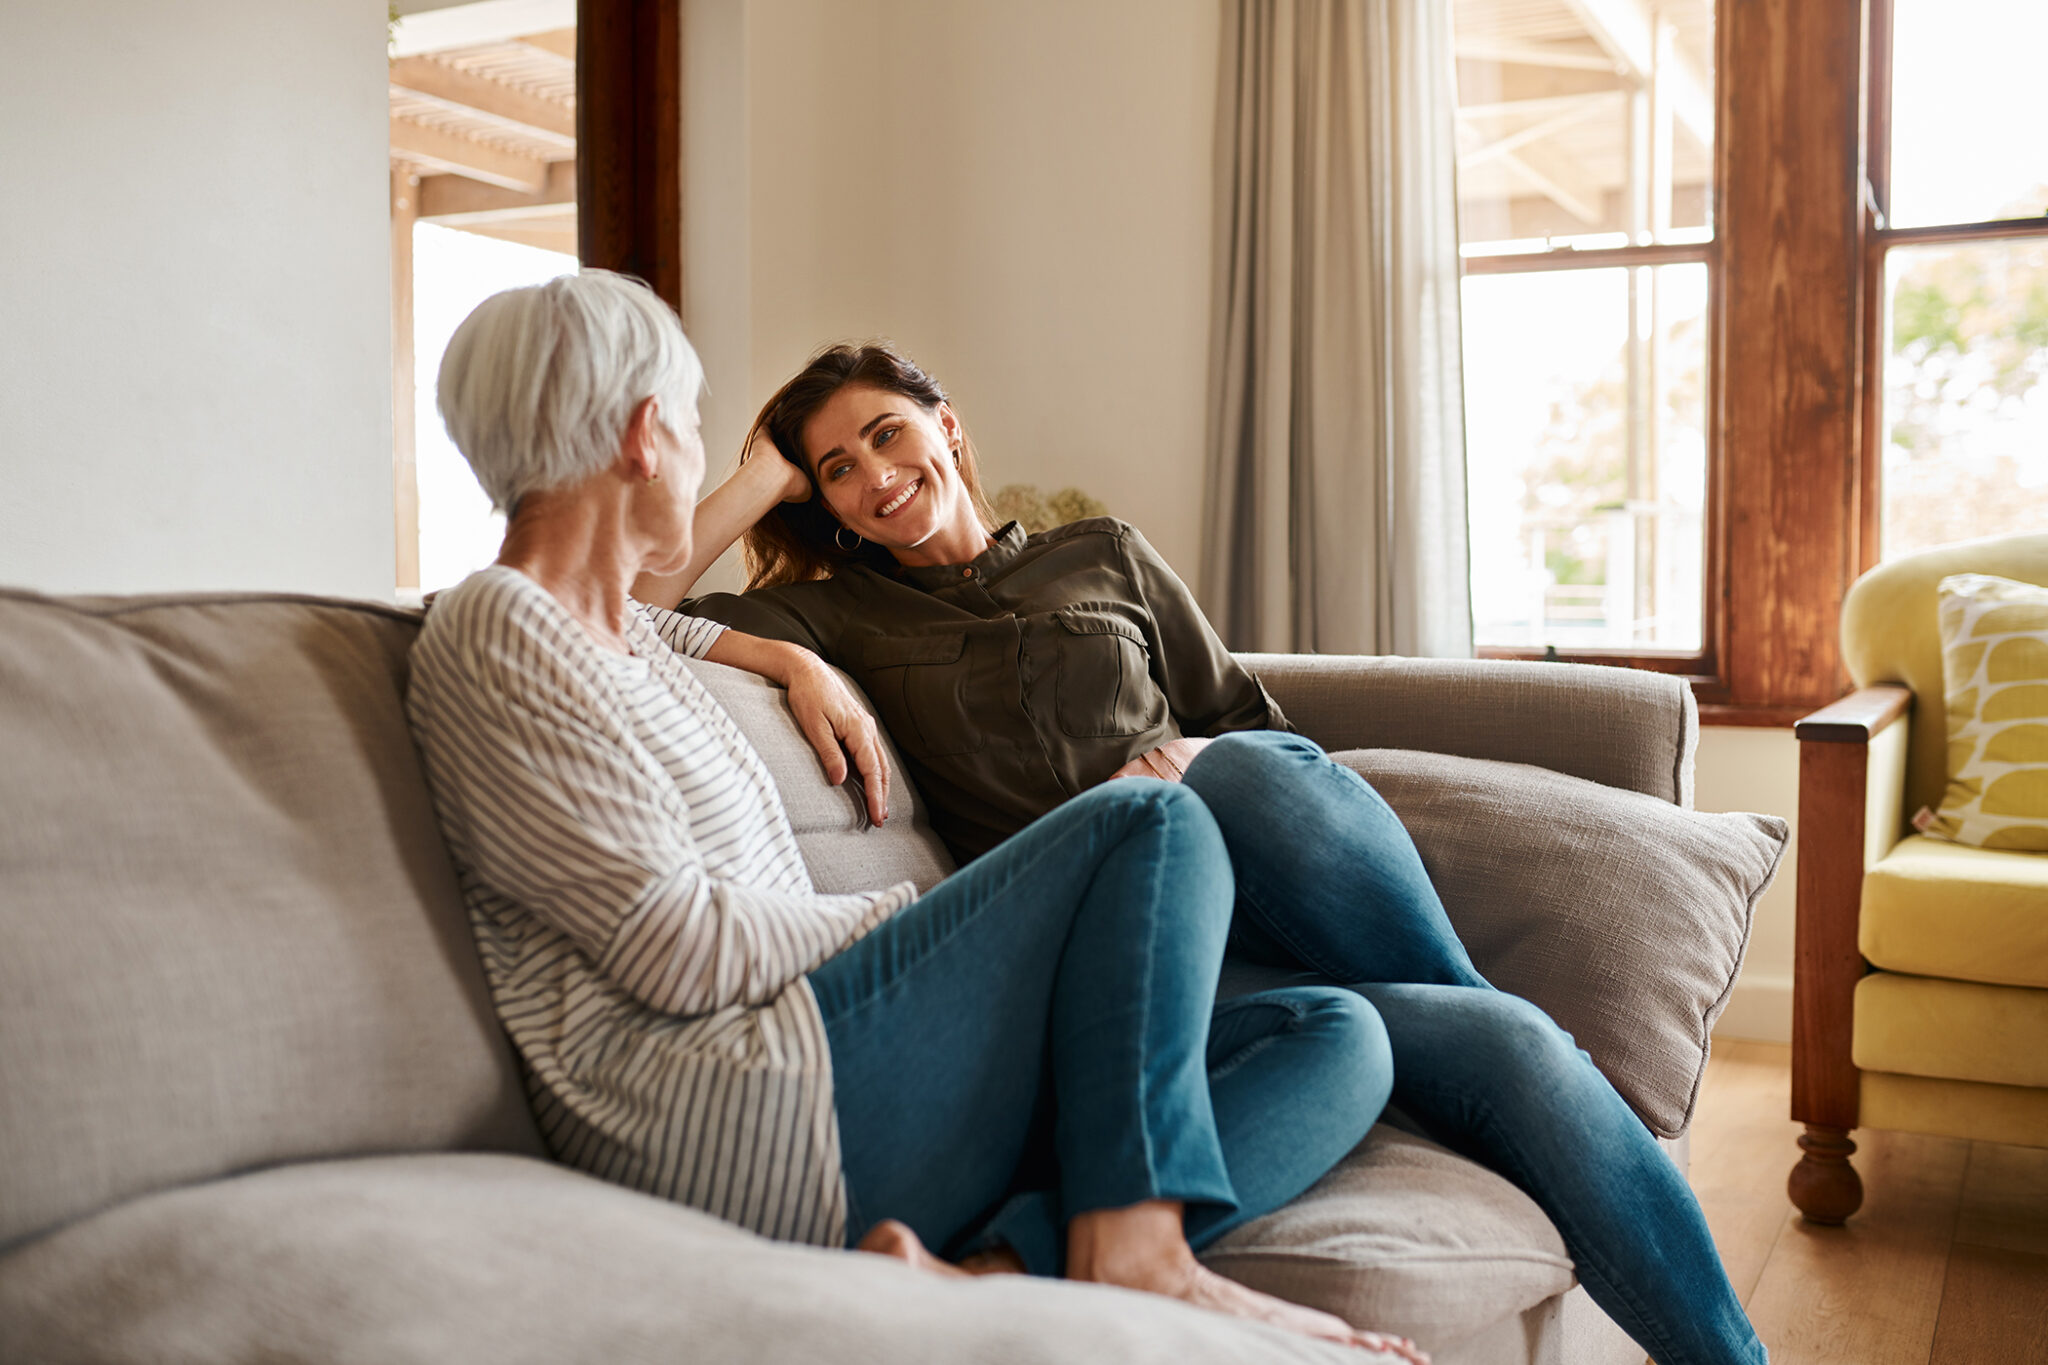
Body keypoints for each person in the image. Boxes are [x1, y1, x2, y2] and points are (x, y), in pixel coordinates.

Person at [635, 342, 1770, 1365]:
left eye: (886, 433)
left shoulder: (1102, 555)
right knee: (1437, 1039)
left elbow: (1257, 723)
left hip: (1262, 875)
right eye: (835, 469)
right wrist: (771, 548)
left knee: (1262, 778)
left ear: (947, 424)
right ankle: (1454, 1053)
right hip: (1133, 954)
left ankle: (1469, 1031)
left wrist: (1191, 755)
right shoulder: (840, 618)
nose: (875, 476)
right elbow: (631, 598)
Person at [405, 271, 1428, 1361]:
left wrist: (790, 656)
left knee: (1335, 1035)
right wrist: (917, 915)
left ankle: (999, 1268)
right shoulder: (498, 629)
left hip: (834, 1061)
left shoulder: (625, 637)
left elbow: (659, 617)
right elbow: (676, 949)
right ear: (647, 434)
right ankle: (1140, 1263)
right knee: (1145, 821)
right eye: (698, 425)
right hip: (740, 1115)